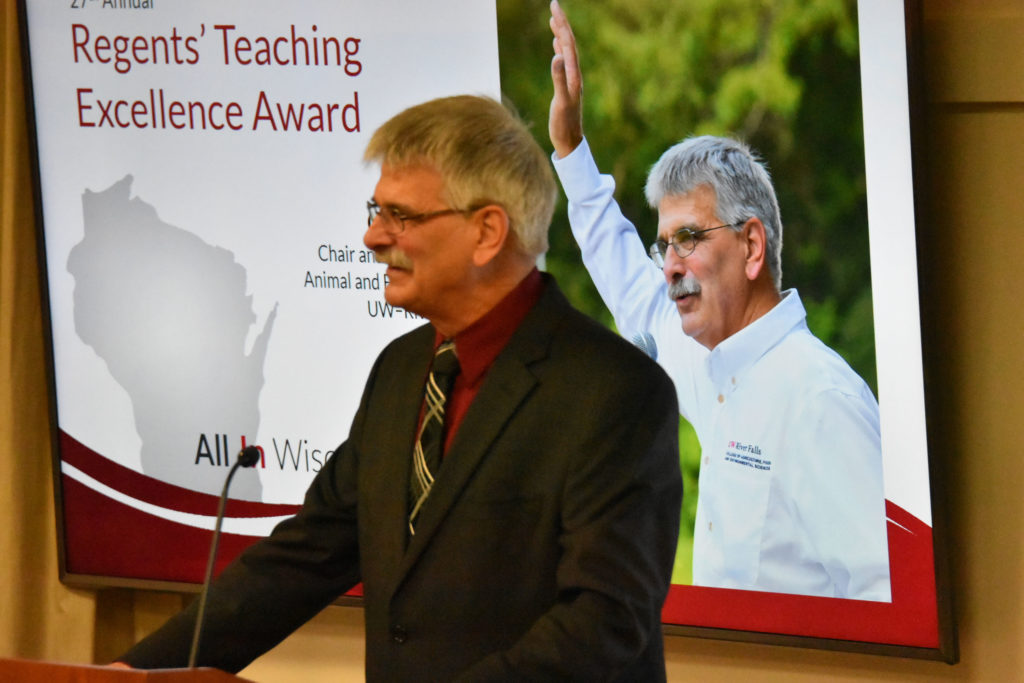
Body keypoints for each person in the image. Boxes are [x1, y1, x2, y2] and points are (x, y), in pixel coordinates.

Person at [116, 94, 682, 681]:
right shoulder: (401, 369)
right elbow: (305, 557)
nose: (372, 236)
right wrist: (128, 674)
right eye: (374, 210)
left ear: (487, 232)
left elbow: (602, 623)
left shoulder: (618, 393)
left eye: (401, 216)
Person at [547, 0, 889, 601]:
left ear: (752, 245)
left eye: (688, 238)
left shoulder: (819, 400)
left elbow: (888, 599)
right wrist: (572, 149)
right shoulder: (714, 363)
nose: (670, 265)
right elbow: (627, 280)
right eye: (664, 245)